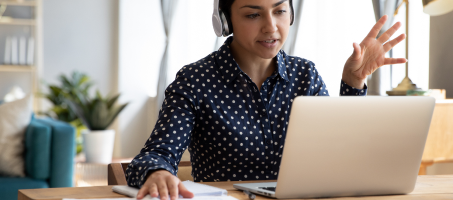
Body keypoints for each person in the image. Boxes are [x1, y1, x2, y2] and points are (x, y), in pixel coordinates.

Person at [125, 0, 406, 200]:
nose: (271, 27)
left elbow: (343, 155)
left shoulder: (304, 74)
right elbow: (154, 155)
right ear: (225, 20)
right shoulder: (195, 79)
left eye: (280, 10)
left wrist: (353, 82)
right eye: (252, 15)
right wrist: (157, 172)